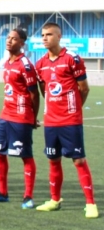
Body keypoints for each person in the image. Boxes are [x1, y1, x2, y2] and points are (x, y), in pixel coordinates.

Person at [34, 22, 98, 218]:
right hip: (51, 121)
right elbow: (44, 88)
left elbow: (84, 88)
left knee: (78, 161)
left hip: (70, 120)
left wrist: (74, 108)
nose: (45, 38)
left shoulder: (72, 59)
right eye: (43, 35)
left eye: (49, 35)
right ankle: (55, 200)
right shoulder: (41, 63)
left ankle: (90, 203)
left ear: (59, 36)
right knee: (53, 160)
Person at [0, 29, 39, 208]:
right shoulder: (7, 62)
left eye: (14, 39)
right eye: (8, 37)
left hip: (21, 116)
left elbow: (34, 94)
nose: (9, 41)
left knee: (25, 155)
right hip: (5, 115)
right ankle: (2, 192)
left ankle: (28, 196)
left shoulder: (26, 65)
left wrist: (33, 117)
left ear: (22, 43)